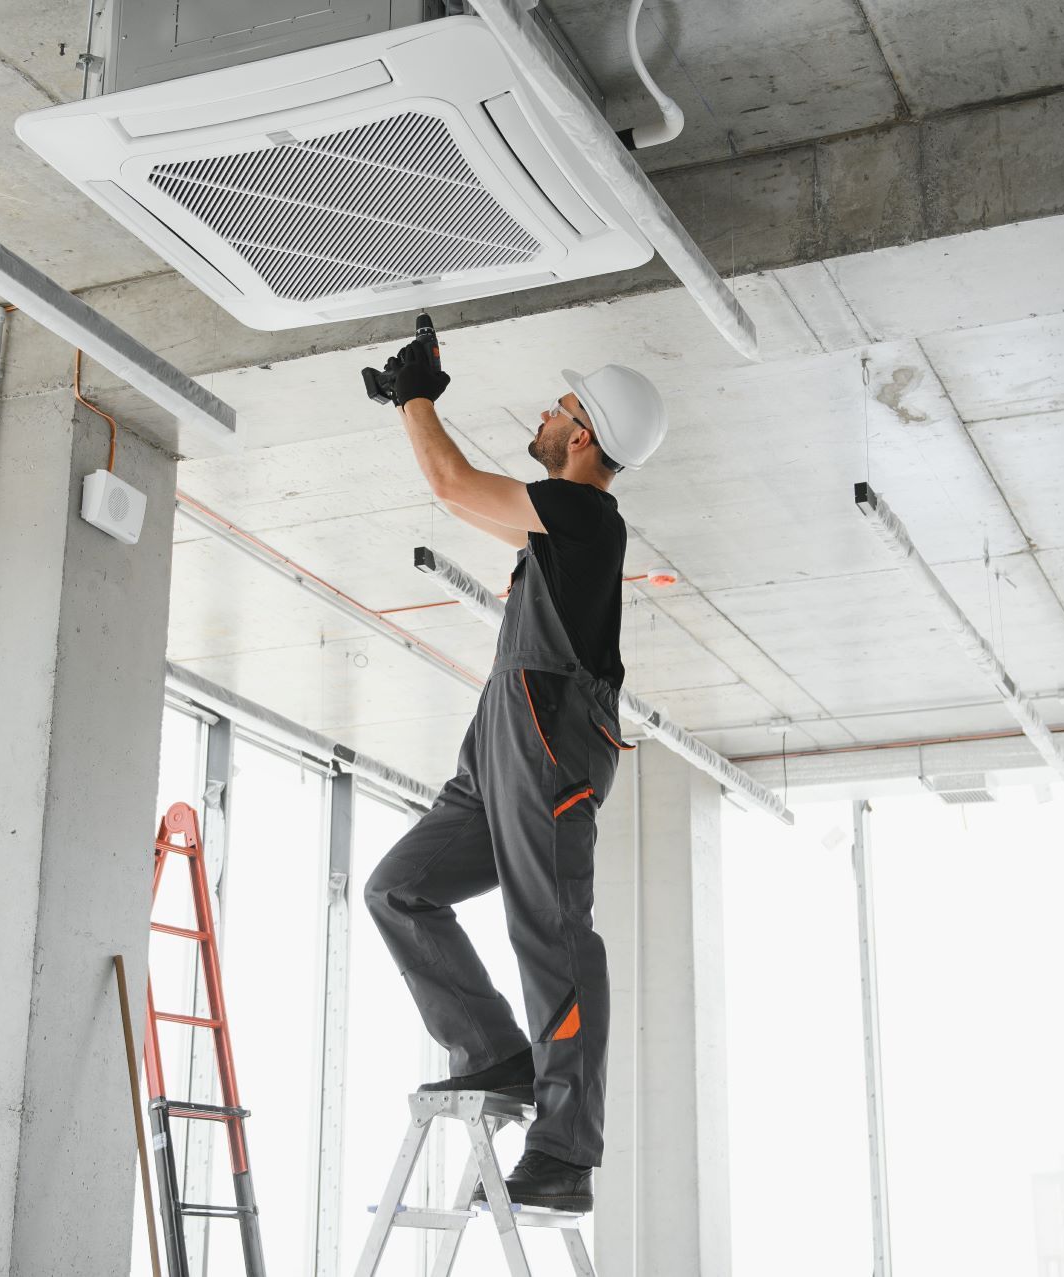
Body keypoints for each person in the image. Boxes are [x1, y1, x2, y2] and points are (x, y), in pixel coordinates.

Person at [361, 334, 667, 1213]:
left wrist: (419, 397)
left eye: (557, 408)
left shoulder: (587, 517)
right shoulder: (556, 527)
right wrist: (410, 410)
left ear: (581, 438)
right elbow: (466, 502)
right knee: (400, 890)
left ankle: (566, 1152)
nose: (544, 413)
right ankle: (495, 1050)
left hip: (547, 744)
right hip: (498, 746)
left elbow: (453, 484)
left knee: (553, 931)